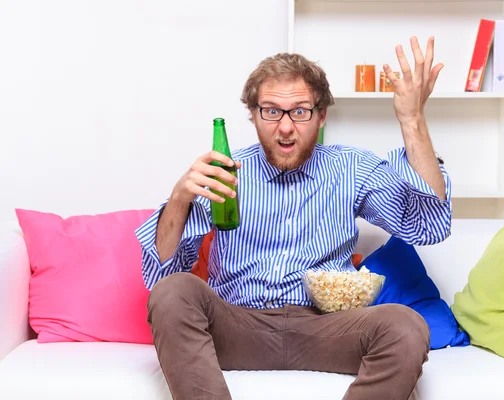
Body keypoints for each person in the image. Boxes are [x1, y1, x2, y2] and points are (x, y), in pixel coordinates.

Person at [135, 36, 451, 400]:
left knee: (405, 324)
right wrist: (180, 197)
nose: (285, 127)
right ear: (253, 114)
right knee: (174, 292)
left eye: (299, 111)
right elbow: (158, 276)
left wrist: (412, 119)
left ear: (321, 115)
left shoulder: (350, 168)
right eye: (271, 111)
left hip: (326, 328)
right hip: (237, 325)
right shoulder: (226, 172)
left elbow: (430, 224)